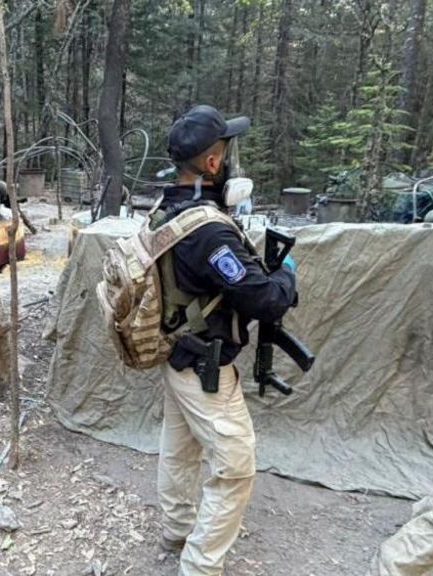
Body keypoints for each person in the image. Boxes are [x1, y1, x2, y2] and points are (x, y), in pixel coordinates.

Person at [153, 105, 298, 575]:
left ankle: (177, 530)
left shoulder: (166, 209)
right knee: (235, 466)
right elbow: (266, 301)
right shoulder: (210, 232)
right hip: (205, 368)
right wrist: (286, 276)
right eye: (228, 152)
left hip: (176, 352)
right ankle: (200, 566)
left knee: (179, 450)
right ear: (213, 163)